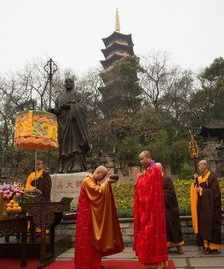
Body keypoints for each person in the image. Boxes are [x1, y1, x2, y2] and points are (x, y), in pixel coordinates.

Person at [74, 166, 124, 269]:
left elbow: (100, 189)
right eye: (103, 176)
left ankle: (94, 263)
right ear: (99, 173)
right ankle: (86, 265)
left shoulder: (93, 181)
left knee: (94, 241)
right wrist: (107, 183)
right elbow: (97, 192)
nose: (103, 179)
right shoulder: (87, 181)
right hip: (86, 217)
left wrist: (107, 183)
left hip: (91, 215)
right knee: (87, 241)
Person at [133, 151, 168, 269]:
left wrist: (139, 178)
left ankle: (157, 262)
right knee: (148, 235)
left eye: (142, 159)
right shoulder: (149, 170)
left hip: (152, 210)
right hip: (148, 210)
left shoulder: (155, 168)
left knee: (152, 235)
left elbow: (147, 187)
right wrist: (141, 177)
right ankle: (152, 261)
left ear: (149, 158)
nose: (140, 162)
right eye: (139, 160)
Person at [52, 78, 90, 173]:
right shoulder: (59, 97)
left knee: (75, 145)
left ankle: (76, 165)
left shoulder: (78, 95)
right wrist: (53, 111)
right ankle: (64, 166)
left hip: (74, 124)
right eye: (66, 82)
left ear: (73, 84)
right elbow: (58, 110)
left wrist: (70, 107)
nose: (68, 83)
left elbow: (83, 108)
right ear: (64, 84)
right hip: (62, 124)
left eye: (71, 82)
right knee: (63, 145)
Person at [191, 160, 222, 254]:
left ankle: (213, 247)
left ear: (205, 165)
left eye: (200, 165)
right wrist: (195, 184)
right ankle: (205, 246)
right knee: (203, 226)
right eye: (198, 165)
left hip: (212, 208)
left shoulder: (212, 177)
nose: (199, 167)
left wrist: (203, 191)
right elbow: (197, 189)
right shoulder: (200, 178)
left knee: (211, 226)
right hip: (202, 207)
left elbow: (214, 193)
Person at [163, 173, 184, 254]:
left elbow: (170, 193)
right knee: (165, 230)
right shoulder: (155, 179)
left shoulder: (167, 179)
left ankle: (179, 246)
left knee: (173, 228)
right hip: (161, 210)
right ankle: (166, 246)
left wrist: (159, 194)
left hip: (170, 208)